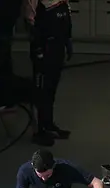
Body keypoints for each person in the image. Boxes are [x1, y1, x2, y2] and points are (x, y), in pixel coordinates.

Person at [25, 0, 74, 146]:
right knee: (41, 90)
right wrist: (37, 49)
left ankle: (49, 125)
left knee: (51, 89)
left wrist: (68, 41)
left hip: (58, 46)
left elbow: (65, 15)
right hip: (43, 47)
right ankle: (39, 131)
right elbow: (29, 22)